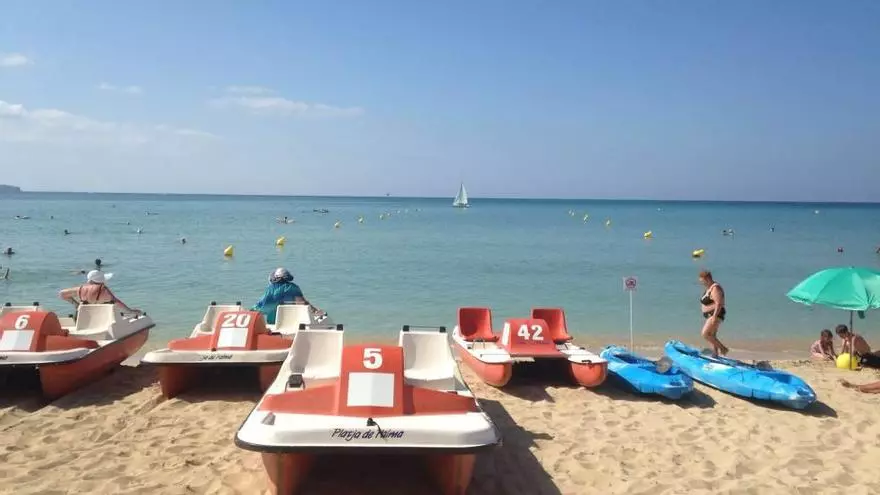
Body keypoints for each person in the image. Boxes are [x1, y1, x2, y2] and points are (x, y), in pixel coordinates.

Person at [252, 267, 323, 325]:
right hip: (293, 322)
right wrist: (315, 310)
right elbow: (302, 303)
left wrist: (250, 310)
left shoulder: (270, 289)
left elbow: (260, 305)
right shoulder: (293, 287)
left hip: (273, 323)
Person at [58, 270, 141, 314]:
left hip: (83, 318)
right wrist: (131, 311)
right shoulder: (103, 290)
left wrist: (76, 305)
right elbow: (117, 302)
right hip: (101, 319)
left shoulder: (80, 289)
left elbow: (62, 294)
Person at [698, 270, 729, 356]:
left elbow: (719, 303)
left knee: (705, 334)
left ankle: (723, 348)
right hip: (710, 315)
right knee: (712, 335)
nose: (702, 283)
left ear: (707, 279)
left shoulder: (715, 288)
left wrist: (715, 316)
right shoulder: (709, 288)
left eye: (702, 281)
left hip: (715, 314)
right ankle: (715, 354)